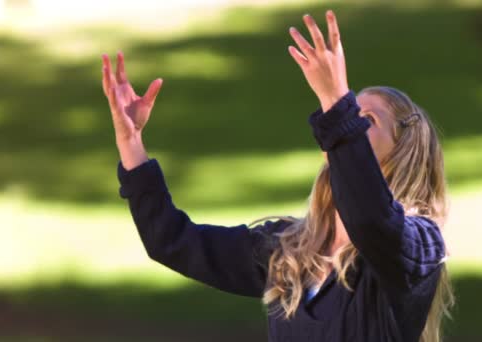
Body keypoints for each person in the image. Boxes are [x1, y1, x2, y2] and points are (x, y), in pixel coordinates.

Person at [101, 9, 454, 342]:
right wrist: (131, 145)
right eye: (351, 113)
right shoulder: (291, 248)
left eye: (368, 120)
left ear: (403, 152)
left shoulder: (418, 246)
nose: (350, 122)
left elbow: (372, 221)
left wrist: (336, 101)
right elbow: (173, 243)